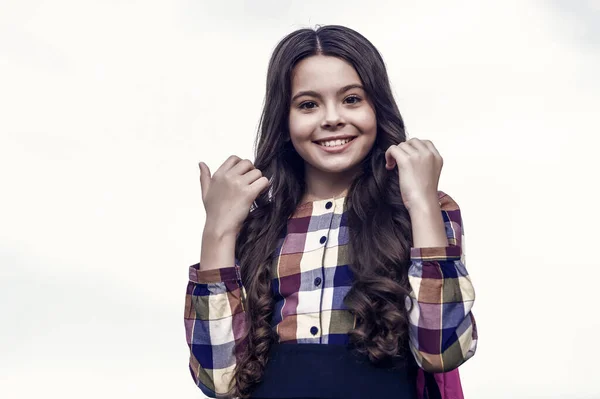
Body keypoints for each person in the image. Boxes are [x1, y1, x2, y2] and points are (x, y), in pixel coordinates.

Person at [184, 25, 477, 399]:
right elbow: (217, 379)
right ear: (284, 119)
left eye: (352, 99)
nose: (332, 118)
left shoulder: (424, 211)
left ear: (378, 106)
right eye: (308, 104)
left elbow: (442, 350)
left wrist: (420, 201)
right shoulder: (257, 226)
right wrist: (218, 231)